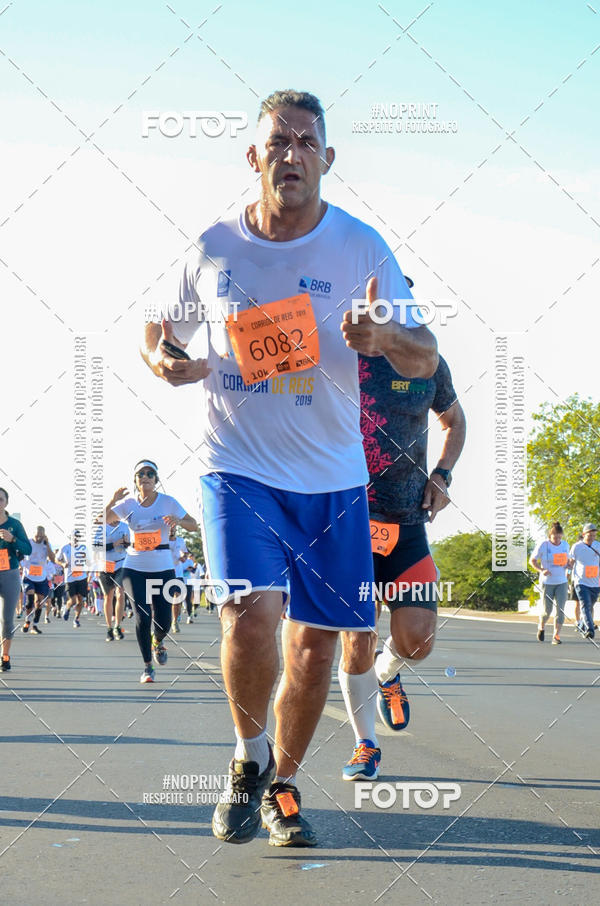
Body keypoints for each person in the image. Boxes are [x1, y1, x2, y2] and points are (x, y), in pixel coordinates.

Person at [141, 88, 437, 846]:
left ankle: (283, 785)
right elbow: (156, 325)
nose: (292, 153)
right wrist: (164, 359)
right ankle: (248, 759)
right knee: (250, 616)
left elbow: (426, 355)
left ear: (327, 159)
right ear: (254, 155)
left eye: (308, 142)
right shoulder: (213, 247)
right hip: (236, 467)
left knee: (315, 649)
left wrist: (384, 338)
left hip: (336, 481)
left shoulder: (362, 249)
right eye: (279, 141)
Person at [334, 353, 465, 779]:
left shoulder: (426, 359)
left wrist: (442, 475)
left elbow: (454, 421)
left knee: (417, 642)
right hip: (347, 523)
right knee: (357, 640)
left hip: (406, 523)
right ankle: (365, 744)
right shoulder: (340, 353)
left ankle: (387, 674)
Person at [105, 460, 197, 683]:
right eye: (140, 474)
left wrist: (179, 520)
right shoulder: (127, 504)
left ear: (156, 480)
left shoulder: (168, 502)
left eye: (150, 473)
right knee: (142, 617)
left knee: (164, 619)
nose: (145, 477)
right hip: (134, 566)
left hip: (163, 566)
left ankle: (159, 641)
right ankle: (147, 666)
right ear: (135, 480)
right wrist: (112, 501)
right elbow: (105, 520)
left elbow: (193, 524)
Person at [0, 488, 32, 671]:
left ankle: (5, 656)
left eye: (0, 499)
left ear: (6, 502)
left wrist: (13, 539)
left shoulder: (15, 524)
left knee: (6, 620)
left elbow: (28, 549)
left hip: (9, 573)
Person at [530, 522, 570, 645]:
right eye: (555, 537)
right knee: (547, 610)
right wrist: (541, 570)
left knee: (561, 610)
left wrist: (569, 566)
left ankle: (556, 636)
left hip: (562, 582)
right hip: (547, 582)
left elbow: (567, 562)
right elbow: (532, 560)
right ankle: (541, 627)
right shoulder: (543, 545)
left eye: (559, 537)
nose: (557, 540)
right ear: (550, 536)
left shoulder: (565, 545)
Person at [93, 516, 129, 641]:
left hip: (121, 563)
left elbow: (128, 545)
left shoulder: (124, 526)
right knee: (108, 596)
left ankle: (117, 626)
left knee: (120, 593)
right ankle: (109, 628)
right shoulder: (101, 528)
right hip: (106, 565)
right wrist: (115, 543)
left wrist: (126, 542)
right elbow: (96, 547)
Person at [21, 526, 56, 634]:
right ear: (33, 534)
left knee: (39, 603)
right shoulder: (28, 542)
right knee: (30, 601)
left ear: (44, 535)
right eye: (37, 535)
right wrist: (21, 565)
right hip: (29, 576)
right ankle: (27, 621)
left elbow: (52, 559)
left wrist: (47, 544)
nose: (39, 537)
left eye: (41, 535)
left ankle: (34, 625)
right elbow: (20, 555)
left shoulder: (46, 545)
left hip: (41, 578)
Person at [570, 523, 600, 639]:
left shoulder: (598, 545)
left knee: (590, 606)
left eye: (594, 535)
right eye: (590, 535)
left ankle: (583, 623)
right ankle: (590, 629)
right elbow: (571, 563)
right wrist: (566, 577)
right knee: (585, 605)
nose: (592, 537)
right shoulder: (576, 547)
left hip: (595, 583)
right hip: (581, 582)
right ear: (584, 535)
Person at [57, 532, 88, 627]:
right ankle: (67, 608)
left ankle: (76, 619)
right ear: (70, 538)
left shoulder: (83, 548)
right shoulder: (65, 548)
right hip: (70, 578)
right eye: (74, 537)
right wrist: (62, 564)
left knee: (80, 600)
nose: (76, 539)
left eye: (78, 537)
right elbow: (57, 559)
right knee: (73, 600)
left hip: (82, 577)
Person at [168, 525, 188, 633]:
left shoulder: (180, 540)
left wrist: (184, 558)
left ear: (176, 530)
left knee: (177, 597)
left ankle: (174, 622)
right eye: (169, 529)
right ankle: (165, 620)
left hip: (178, 573)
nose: (171, 530)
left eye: (173, 529)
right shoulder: (162, 541)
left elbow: (185, 552)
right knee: (166, 599)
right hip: (165, 571)